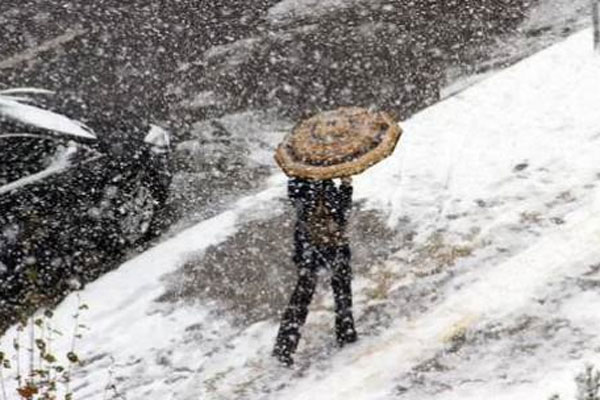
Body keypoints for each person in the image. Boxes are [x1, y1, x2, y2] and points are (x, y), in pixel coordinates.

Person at [273, 176, 357, 366]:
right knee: (302, 297)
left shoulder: (328, 183)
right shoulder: (298, 183)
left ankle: (346, 333)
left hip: (335, 244)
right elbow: (303, 210)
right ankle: (284, 348)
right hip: (311, 246)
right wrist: (317, 186)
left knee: (343, 290)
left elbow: (342, 213)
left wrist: (345, 187)